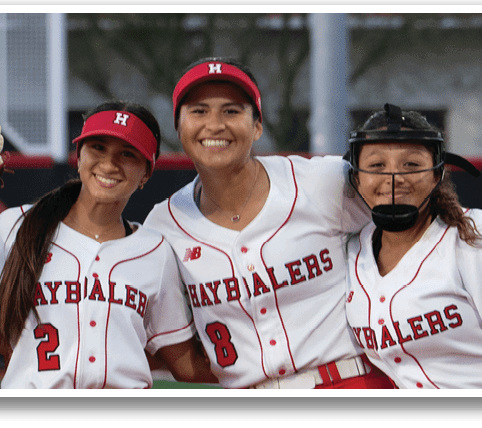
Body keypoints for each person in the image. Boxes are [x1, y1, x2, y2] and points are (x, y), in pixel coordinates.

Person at [143, 57, 394, 389]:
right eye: (199, 111)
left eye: (232, 111)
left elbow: (417, 215)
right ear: (179, 128)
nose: (215, 124)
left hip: (349, 380)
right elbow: (181, 361)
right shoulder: (164, 225)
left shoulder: (320, 181)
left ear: (257, 126)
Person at [0, 101, 217, 388]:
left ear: (146, 174)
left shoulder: (155, 252)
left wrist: (265, 365)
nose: (109, 164)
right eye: (98, 148)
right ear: (78, 155)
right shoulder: (16, 227)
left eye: (128, 154)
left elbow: (183, 363)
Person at [342, 104, 482, 389]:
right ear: (356, 177)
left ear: (437, 174)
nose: (394, 177)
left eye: (411, 164)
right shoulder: (353, 251)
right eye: (377, 165)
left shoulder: (472, 239)